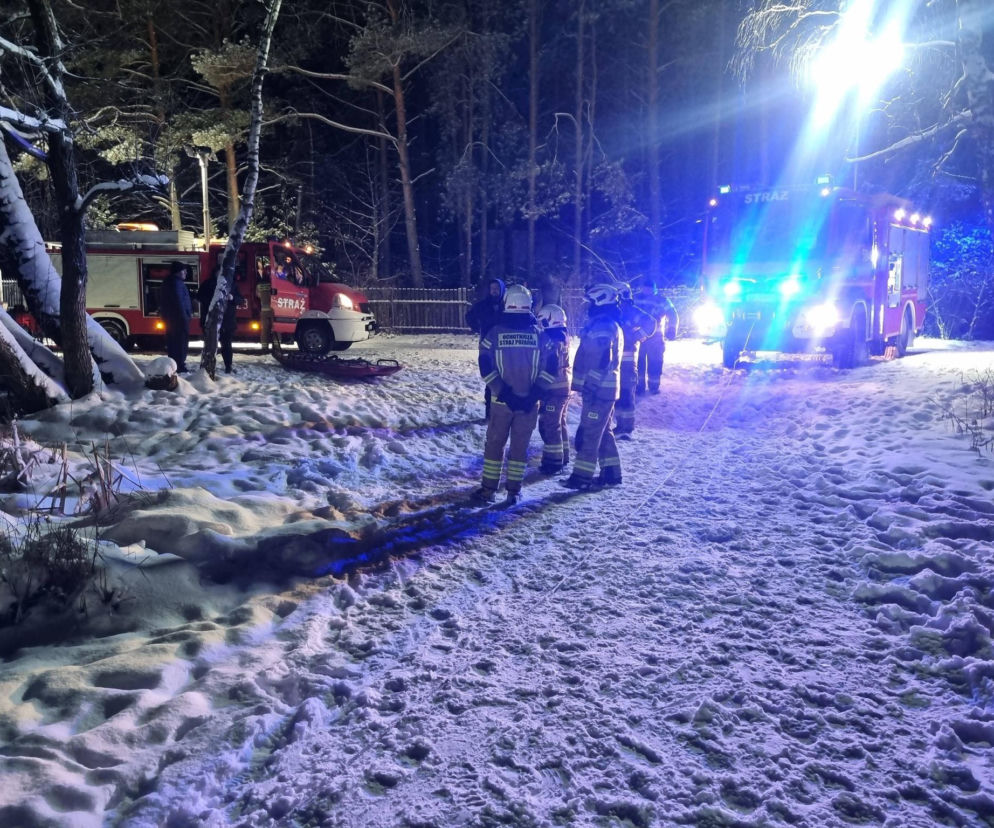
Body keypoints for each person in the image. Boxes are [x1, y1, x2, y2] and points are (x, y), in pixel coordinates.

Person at [474, 284, 546, 506]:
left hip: (500, 402)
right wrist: (533, 395)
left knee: (495, 445)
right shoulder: (540, 334)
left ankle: (488, 491)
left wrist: (503, 392)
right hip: (529, 405)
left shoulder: (495, 333)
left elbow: (485, 364)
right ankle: (514, 491)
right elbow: (550, 368)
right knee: (519, 448)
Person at [563, 283, 623, 490]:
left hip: (599, 390)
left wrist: (591, 385)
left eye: (590, 302)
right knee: (603, 431)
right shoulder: (604, 323)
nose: (587, 306)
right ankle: (612, 473)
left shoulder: (603, 326)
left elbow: (602, 359)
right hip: (602, 389)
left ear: (600, 301)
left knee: (589, 433)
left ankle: (581, 477)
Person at [614, 281, 656, 437]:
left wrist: (637, 336)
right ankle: (620, 425)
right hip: (615, 361)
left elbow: (651, 322)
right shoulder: (615, 312)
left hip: (627, 361)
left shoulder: (631, 311)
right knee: (618, 393)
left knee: (626, 393)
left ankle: (626, 428)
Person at [535, 304, 572, 474]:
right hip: (564, 386)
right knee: (560, 422)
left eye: (543, 320)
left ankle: (553, 461)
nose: (541, 324)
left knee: (550, 424)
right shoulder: (563, 336)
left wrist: (541, 386)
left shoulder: (552, 340)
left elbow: (550, 364)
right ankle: (564, 455)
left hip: (554, 388)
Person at [465, 278, 506, 418]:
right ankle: (490, 413)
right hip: (487, 347)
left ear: (502, 290)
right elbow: (469, 316)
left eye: (497, 288)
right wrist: (478, 328)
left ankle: (504, 410)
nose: (494, 291)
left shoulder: (507, 306)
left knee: (504, 376)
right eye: (492, 288)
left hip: (504, 347)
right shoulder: (482, 305)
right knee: (490, 378)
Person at [635, 277, 679, 396]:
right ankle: (639, 386)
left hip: (655, 337)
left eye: (649, 288)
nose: (647, 290)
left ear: (654, 289)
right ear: (642, 288)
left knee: (655, 362)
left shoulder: (662, 300)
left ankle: (654, 386)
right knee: (638, 362)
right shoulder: (635, 299)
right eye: (645, 288)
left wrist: (672, 328)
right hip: (638, 337)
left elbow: (672, 314)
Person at [198, 266, 244, 374]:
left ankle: (228, 366)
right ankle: (207, 367)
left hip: (227, 321)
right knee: (210, 345)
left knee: (227, 345)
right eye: (218, 272)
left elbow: (240, 299)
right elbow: (200, 297)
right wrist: (212, 299)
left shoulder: (231, 284)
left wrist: (232, 298)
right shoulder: (208, 283)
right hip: (211, 319)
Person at [159, 260, 193, 373]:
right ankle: (179, 365)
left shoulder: (171, 282)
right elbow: (179, 302)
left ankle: (175, 364)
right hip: (178, 319)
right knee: (180, 343)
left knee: (174, 342)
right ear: (178, 272)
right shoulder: (175, 283)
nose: (186, 273)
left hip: (173, 319)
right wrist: (184, 317)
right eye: (184, 271)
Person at [256, 259, 273, 352]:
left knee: (264, 330)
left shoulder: (259, 285)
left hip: (263, 310)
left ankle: (264, 347)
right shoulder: (274, 285)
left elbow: (257, 295)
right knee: (275, 329)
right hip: (274, 310)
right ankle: (276, 346)